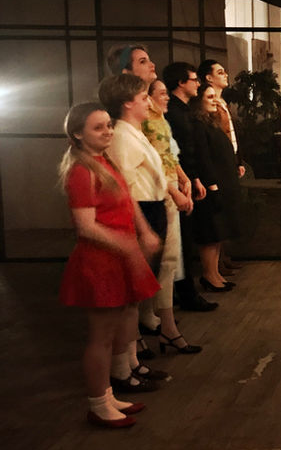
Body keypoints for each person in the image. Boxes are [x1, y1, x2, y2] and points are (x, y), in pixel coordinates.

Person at [59, 103, 160, 427]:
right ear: (78, 134)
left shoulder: (104, 162)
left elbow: (126, 203)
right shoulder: (82, 171)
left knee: (113, 331)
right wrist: (126, 246)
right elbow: (86, 226)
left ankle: (107, 395)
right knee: (101, 337)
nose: (107, 132)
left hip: (116, 257)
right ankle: (98, 404)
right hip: (99, 262)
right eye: (98, 127)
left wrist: (142, 233)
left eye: (108, 125)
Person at [98, 74, 179, 391]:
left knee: (136, 295)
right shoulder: (121, 136)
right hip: (139, 211)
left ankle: (132, 363)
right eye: (144, 97)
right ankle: (121, 369)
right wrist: (143, 228)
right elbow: (125, 190)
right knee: (129, 295)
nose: (149, 102)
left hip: (151, 207)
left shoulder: (135, 133)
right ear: (127, 103)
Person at [141, 79, 203, 355]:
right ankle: (156, 324)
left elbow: (169, 156)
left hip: (170, 189)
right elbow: (154, 163)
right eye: (162, 93)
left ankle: (164, 324)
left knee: (168, 260)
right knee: (159, 261)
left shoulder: (160, 120)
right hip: (157, 193)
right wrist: (175, 190)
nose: (167, 97)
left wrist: (184, 179)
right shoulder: (143, 124)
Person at [161, 62, 216, 313]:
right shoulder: (173, 112)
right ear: (181, 83)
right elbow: (177, 153)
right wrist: (190, 179)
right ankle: (184, 294)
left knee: (186, 237)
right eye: (194, 79)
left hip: (186, 179)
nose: (198, 84)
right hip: (176, 182)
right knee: (180, 241)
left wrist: (192, 178)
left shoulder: (184, 110)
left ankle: (185, 292)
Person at [191, 84, 243, 291]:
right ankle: (209, 274)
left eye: (214, 97)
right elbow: (203, 157)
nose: (214, 100)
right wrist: (212, 185)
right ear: (199, 101)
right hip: (212, 184)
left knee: (219, 232)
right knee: (211, 232)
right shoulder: (198, 125)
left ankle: (215, 272)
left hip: (223, 181)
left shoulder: (211, 122)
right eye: (209, 97)